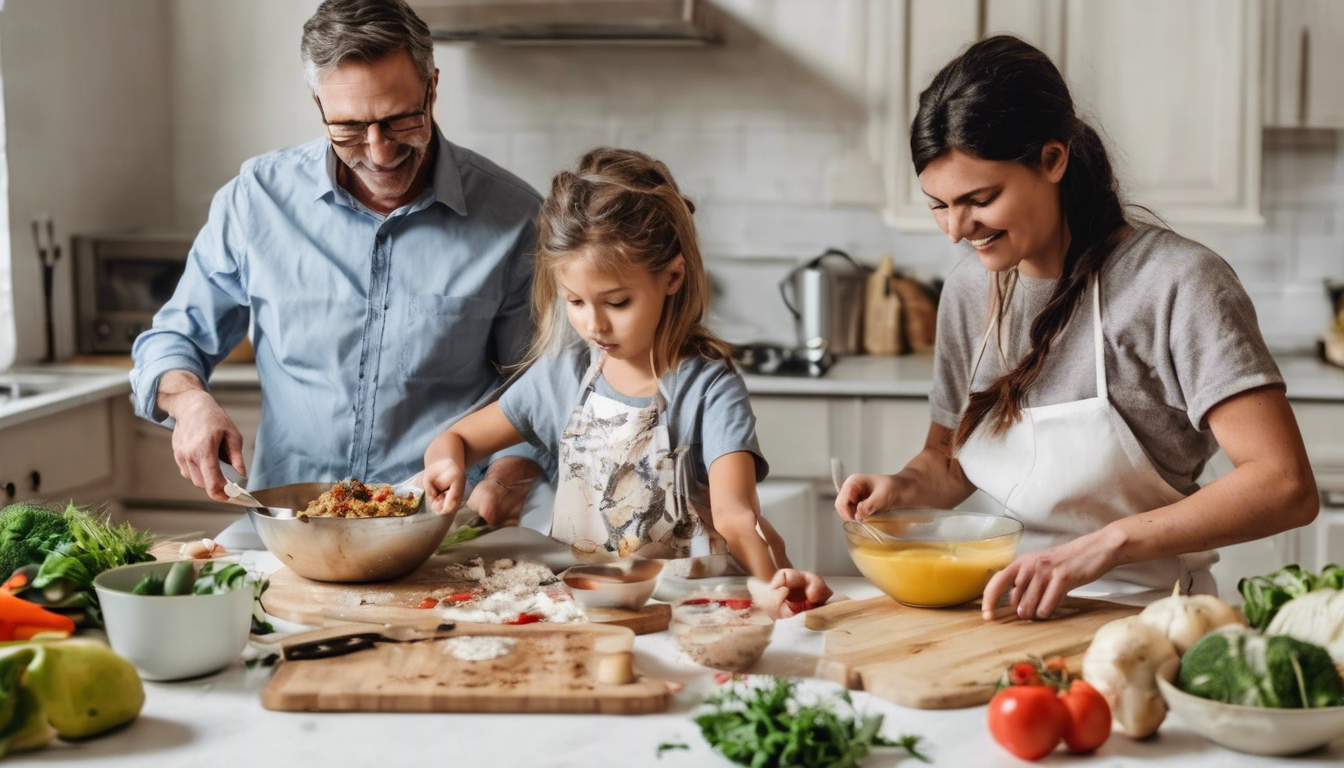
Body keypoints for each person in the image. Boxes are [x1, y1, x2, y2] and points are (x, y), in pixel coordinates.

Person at [834, 36, 1319, 619]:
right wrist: (901, 489)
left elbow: (1285, 484)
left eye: (979, 199)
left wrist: (1106, 545)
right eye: (938, 204)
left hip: (1142, 616)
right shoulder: (969, 293)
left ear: (1052, 160)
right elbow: (950, 458)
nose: (955, 230)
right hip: (1001, 610)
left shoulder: (1176, 283)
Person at [129, 0, 547, 535]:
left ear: (432, 88)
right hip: (286, 527)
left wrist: (506, 481)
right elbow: (169, 342)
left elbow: (538, 395)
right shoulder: (256, 201)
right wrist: (190, 403)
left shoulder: (515, 219)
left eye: (400, 120)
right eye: (348, 127)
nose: (377, 151)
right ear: (318, 104)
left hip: (442, 530)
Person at [421, 148, 831, 618]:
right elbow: (456, 439)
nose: (593, 325)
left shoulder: (708, 389)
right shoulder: (562, 375)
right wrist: (447, 465)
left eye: (617, 303)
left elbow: (738, 516)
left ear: (673, 275)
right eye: (574, 301)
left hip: (690, 615)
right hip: (583, 613)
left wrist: (774, 582)